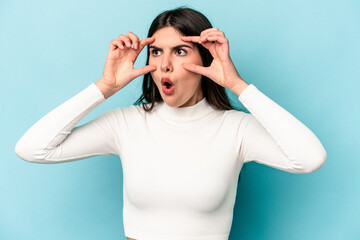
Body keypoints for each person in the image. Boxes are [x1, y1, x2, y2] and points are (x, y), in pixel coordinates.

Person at [14, 7, 327, 240]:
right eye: (156, 52)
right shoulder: (126, 124)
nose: (164, 65)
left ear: (205, 60)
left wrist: (236, 83)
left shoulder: (236, 129)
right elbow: (32, 149)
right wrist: (105, 86)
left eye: (180, 51)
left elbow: (310, 158)